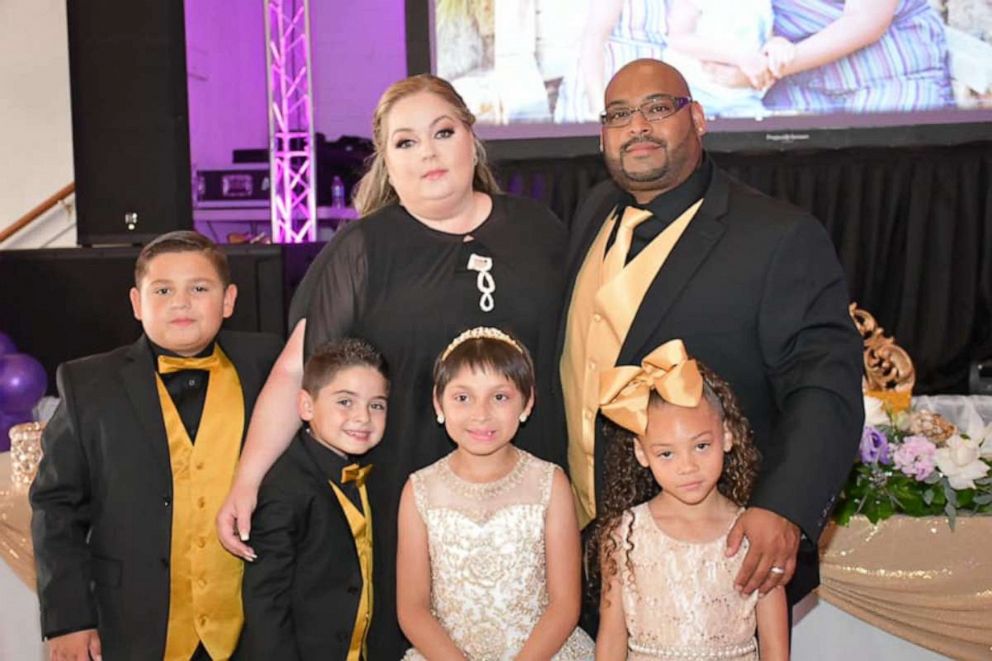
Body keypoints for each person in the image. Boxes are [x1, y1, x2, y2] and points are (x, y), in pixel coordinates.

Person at [217, 74, 567, 658]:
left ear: (471, 138)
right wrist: (247, 480)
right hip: (408, 506)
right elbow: (296, 373)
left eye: (442, 132)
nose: (427, 151)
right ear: (386, 160)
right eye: (405, 142)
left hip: (530, 507)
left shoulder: (542, 232)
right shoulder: (362, 251)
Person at [559, 58, 864, 613]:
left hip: (717, 559)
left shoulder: (777, 236)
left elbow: (825, 388)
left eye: (657, 108)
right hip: (589, 558)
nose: (637, 127)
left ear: (698, 118)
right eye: (619, 114)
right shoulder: (594, 210)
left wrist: (786, 508)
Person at [30, 231, 282, 660]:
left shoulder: (269, 366)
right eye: (162, 290)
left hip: (252, 623)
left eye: (199, 288)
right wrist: (70, 619)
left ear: (229, 299)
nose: (180, 302)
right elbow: (57, 507)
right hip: (135, 625)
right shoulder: (89, 384)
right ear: (136, 302)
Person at [396, 327, 594, 660]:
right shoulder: (420, 490)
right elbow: (413, 608)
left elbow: (565, 604)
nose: (481, 414)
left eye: (499, 397)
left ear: (527, 402)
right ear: (438, 402)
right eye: (463, 397)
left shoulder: (550, 483)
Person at [591, 339, 788, 660]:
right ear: (642, 453)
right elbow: (611, 638)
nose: (687, 466)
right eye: (666, 453)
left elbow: (775, 649)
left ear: (726, 435)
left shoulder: (757, 534)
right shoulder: (624, 534)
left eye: (700, 446)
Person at [240, 338, 389, 660]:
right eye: (345, 402)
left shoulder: (376, 475)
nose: (363, 417)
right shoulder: (285, 486)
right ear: (306, 406)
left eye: (376, 404)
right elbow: (265, 599)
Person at [710, 0, 953, 113]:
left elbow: (866, 21)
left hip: (892, 77)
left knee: (885, 150)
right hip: (800, 86)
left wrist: (768, 69)